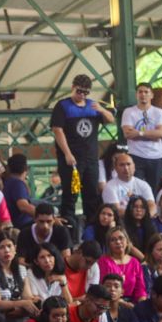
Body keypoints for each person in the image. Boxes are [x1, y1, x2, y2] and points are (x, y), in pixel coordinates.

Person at [51, 74, 114, 229]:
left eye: (86, 92)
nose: (82, 95)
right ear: (73, 87)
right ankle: (68, 228)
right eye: (79, 91)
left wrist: (101, 110)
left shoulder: (92, 106)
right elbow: (57, 130)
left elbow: (110, 119)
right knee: (71, 194)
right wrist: (67, 153)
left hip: (91, 158)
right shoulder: (63, 106)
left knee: (91, 195)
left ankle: (92, 227)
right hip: (72, 160)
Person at [0, 232, 38, 319]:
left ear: (15, 248)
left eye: (9, 246)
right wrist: (21, 303)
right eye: (1, 247)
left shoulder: (21, 269)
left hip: (20, 315)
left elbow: (27, 297)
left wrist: (33, 300)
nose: (6, 250)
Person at [122, 82, 162, 189]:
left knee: (155, 189)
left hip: (156, 156)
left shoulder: (159, 112)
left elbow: (161, 133)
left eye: (146, 92)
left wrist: (139, 133)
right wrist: (152, 134)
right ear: (136, 95)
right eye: (140, 92)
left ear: (151, 95)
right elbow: (128, 134)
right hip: (136, 155)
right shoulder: (129, 112)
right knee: (136, 189)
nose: (143, 94)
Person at [98, 227, 147, 302]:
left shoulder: (135, 262)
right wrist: (122, 303)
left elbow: (140, 290)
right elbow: (103, 288)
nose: (118, 242)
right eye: (113, 240)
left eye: (121, 238)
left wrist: (142, 305)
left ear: (127, 242)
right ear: (109, 245)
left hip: (132, 303)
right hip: (110, 301)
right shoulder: (104, 261)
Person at [102, 152, 156, 217]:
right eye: (122, 165)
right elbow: (116, 211)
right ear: (115, 168)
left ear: (134, 167)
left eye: (128, 164)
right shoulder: (109, 186)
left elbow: (152, 206)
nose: (126, 168)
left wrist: (145, 219)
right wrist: (139, 215)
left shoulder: (143, 184)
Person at [4, 154, 35, 229]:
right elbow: (23, 206)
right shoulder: (17, 184)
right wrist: (44, 216)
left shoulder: (9, 182)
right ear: (25, 168)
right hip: (24, 225)